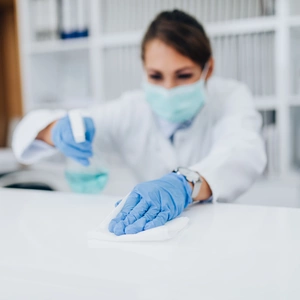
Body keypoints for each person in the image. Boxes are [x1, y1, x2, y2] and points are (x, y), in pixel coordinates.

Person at [12, 10, 266, 236]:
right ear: (143, 70)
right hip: (151, 237)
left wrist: (186, 183)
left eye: (184, 75)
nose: (168, 88)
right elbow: (35, 136)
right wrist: (54, 130)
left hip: (217, 232)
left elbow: (243, 150)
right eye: (156, 76)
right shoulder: (131, 109)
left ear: (207, 69)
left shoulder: (231, 97)